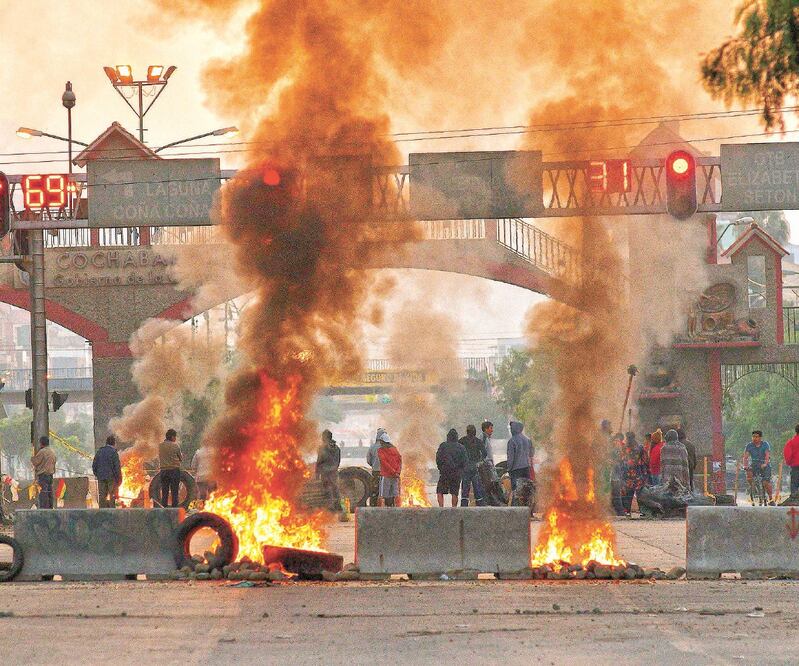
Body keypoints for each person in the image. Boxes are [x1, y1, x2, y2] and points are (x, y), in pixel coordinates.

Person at [436, 428, 467, 507]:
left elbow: (438, 458)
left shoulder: (443, 446)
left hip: (445, 472)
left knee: (440, 491)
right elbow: (464, 461)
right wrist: (460, 471)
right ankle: (454, 508)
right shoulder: (461, 447)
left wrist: (441, 468)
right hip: (456, 473)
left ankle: (441, 507)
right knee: (454, 492)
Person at [743, 430, 775, 505]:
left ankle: (771, 498)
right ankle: (754, 487)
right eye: (753, 436)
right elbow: (745, 457)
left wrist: (765, 464)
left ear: (760, 438)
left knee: (766, 482)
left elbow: (767, 455)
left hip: (764, 465)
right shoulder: (749, 445)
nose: (754, 438)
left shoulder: (765, 444)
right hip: (754, 465)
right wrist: (745, 465)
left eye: (756, 437)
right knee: (749, 474)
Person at [459, 424, 487, 506]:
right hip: (475, 467)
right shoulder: (478, 441)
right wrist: (480, 461)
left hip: (465, 467)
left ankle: (464, 507)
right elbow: (485, 453)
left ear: (467, 432)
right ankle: (480, 507)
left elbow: (457, 453)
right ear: (475, 432)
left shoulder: (462, 441)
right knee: (477, 488)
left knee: (465, 490)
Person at [620, 432, 647, 514]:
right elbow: (645, 460)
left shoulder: (624, 448)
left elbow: (621, 460)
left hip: (627, 474)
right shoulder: (640, 447)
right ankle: (643, 511)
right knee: (640, 494)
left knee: (628, 493)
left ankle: (627, 511)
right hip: (638, 474)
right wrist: (645, 472)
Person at [92, 435, 122, 508]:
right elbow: (117, 467)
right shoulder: (113, 452)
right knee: (113, 496)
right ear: (114, 443)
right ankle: (112, 512)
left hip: (101, 477)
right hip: (112, 478)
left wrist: (98, 475)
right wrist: (119, 479)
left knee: (102, 496)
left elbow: (94, 465)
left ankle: (103, 512)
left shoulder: (99, 451)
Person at [316, 430, 342, 511]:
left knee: (327, 489)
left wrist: (317, 473)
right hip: (334, 471)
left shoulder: (322, 448)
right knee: (335, 489)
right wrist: (334, 468)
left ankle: (330, 507)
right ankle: (338, 506)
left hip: (325, 472)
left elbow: (319, 461)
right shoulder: (337, 448)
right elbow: (338, 460)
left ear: (325, 437)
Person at [158, 429, 183, 508]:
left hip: (163, 471)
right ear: (172, 437)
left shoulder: (160, 446)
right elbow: (180, 458)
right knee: (174, 492)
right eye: (175, 437)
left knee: (164, 492)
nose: (175, 439)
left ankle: (164, 510)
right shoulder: (175, 445)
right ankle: (174, 510)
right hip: (174, 471)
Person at [377, 432, 402, 507]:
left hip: (386, 475)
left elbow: (384, 463)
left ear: (382, 441)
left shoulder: (381, 450)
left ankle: (381, 511)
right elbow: (400, 461)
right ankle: (397, 509)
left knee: (382, 495)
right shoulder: (395, 449)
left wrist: (393, 472)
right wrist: (397, 472)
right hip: (395, 476)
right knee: (396, 493)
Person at [31, 436, 56, 509]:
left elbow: (35, 462)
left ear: (41, 443)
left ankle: (43, 509)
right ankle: (50, 508)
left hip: (43, 475)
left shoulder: (42, 452)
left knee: (43, 493)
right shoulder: (52, 452)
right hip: (50, 475)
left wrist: (32, 457)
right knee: (49, 493)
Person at [506, 421, 533, 490]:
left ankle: (516, 501)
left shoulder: (512, 441)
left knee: (516, 491)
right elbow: (531, 454)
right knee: (526, 489)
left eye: (512, 428)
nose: (511, 430)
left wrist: (509, 469)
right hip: (526, 468)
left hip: (516, 471)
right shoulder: (527, 440)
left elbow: (510, 458)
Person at [366, 427, 385, 507]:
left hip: (376, 472)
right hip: (386, 472)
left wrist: (374, 465)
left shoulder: (372, 447)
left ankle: (373, 507)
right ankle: (387, 507)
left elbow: (368, 460)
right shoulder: (387, 448)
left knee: (374, 490)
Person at [610, 432, 626, 516]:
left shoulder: (621, 450)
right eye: (615, 440)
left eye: (618, 441)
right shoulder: (613, 450)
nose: (616, 442)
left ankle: (620, 511)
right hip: (614, 475)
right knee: (615, 494)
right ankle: (618, 511)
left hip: (619, 475)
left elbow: (622, 462)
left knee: (617, 494)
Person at [783, 425, 799, 496]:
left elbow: (788, 455)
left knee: (794, 484)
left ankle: (795, 499)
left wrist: (789, 463)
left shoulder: (791, 442)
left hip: (795, 467)